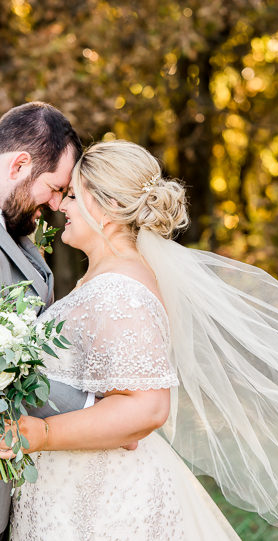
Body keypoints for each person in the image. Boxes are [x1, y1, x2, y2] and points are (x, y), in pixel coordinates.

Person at [5, 139, 278, 537]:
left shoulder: (121, 290)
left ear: (104, 209)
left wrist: (43, 434)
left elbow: (147, 409)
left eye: (72, 196)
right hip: (70, 484)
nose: (61, 207)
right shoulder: (103, 279)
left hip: (102, 499)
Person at [0, 102, 97, 541]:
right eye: (55, 188)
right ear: (20, 165)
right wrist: (101, 413)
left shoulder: (18, 236)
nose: (58, 205)